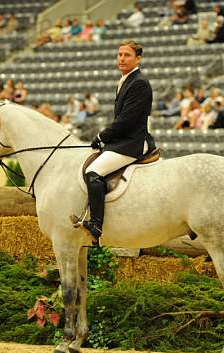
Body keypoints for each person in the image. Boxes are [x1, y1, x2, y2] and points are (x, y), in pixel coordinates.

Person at [82, 40, 155, 244]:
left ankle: (96, 224)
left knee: (93, 172)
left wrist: (101, 136)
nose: (122, 58)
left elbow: (126, 121)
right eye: (120, 55)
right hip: (124, 138)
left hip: (133, 141)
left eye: (127, 55)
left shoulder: (139, 82)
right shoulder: (126, 79)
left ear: (138, 58)